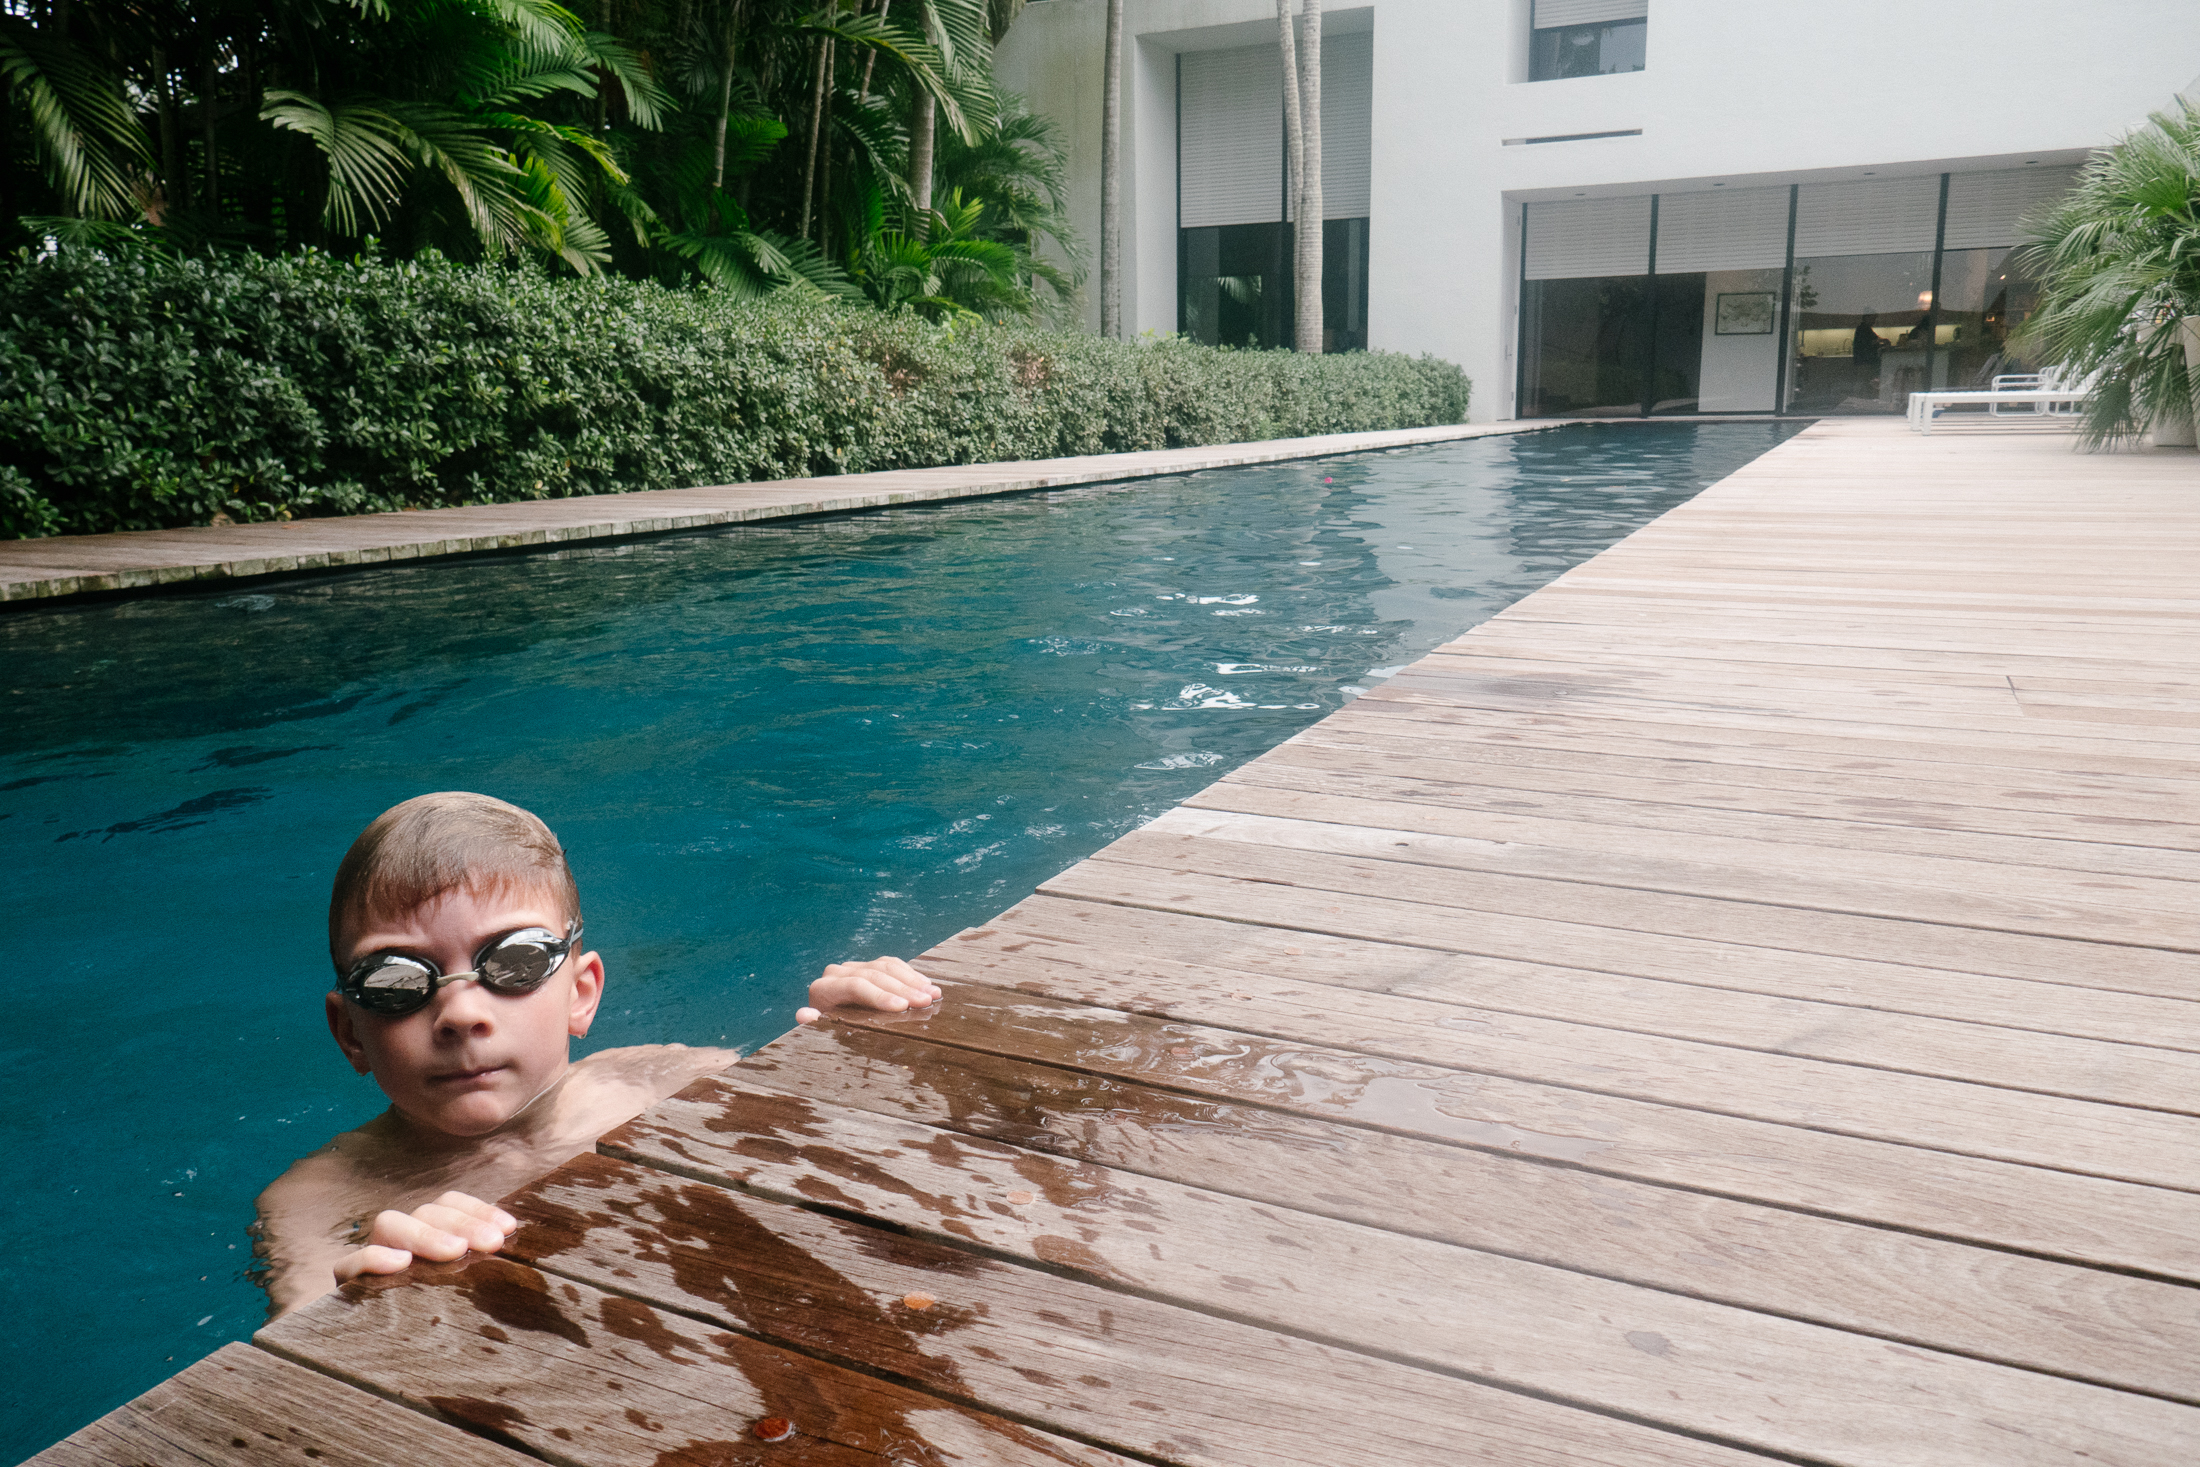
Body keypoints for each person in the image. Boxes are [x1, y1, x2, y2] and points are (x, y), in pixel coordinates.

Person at [251, 791, 940, 1318]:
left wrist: (844, 1041)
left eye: (515, 960)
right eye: (396, 981)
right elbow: (288, 1385)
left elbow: (843, 1152)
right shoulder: (314, 1202)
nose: (460, 1013)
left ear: (580, 994)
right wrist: (360, 1303)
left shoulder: (662, 1077)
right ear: (350, 1032)